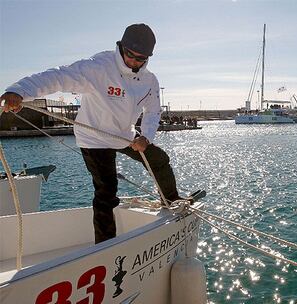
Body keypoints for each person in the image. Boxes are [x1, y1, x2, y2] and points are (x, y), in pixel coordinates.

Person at [1, 23, 183, 244]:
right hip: (94, 138)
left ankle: (172, 201)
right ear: (121, 47)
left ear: (148, 57)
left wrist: (146, 136)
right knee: (106, 191)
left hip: (124, 135)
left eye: (140, 58)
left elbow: (153, 112)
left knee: (159, 159)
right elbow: (58, 77)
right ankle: (104, 245)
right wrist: (19, 90)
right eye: (130, 55)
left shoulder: (149, 81)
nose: (134, 62)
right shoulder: (98, 67)